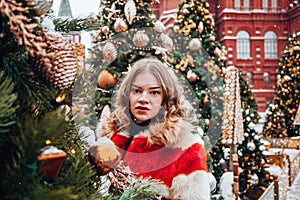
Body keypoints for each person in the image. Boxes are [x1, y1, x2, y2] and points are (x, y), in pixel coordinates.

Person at [97, 57, 210, 200]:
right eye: (137, 91)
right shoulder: (112, 139)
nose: (143, 98)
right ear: (128, 95)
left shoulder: (186, 148)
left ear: (166, 99)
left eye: (154, 92)